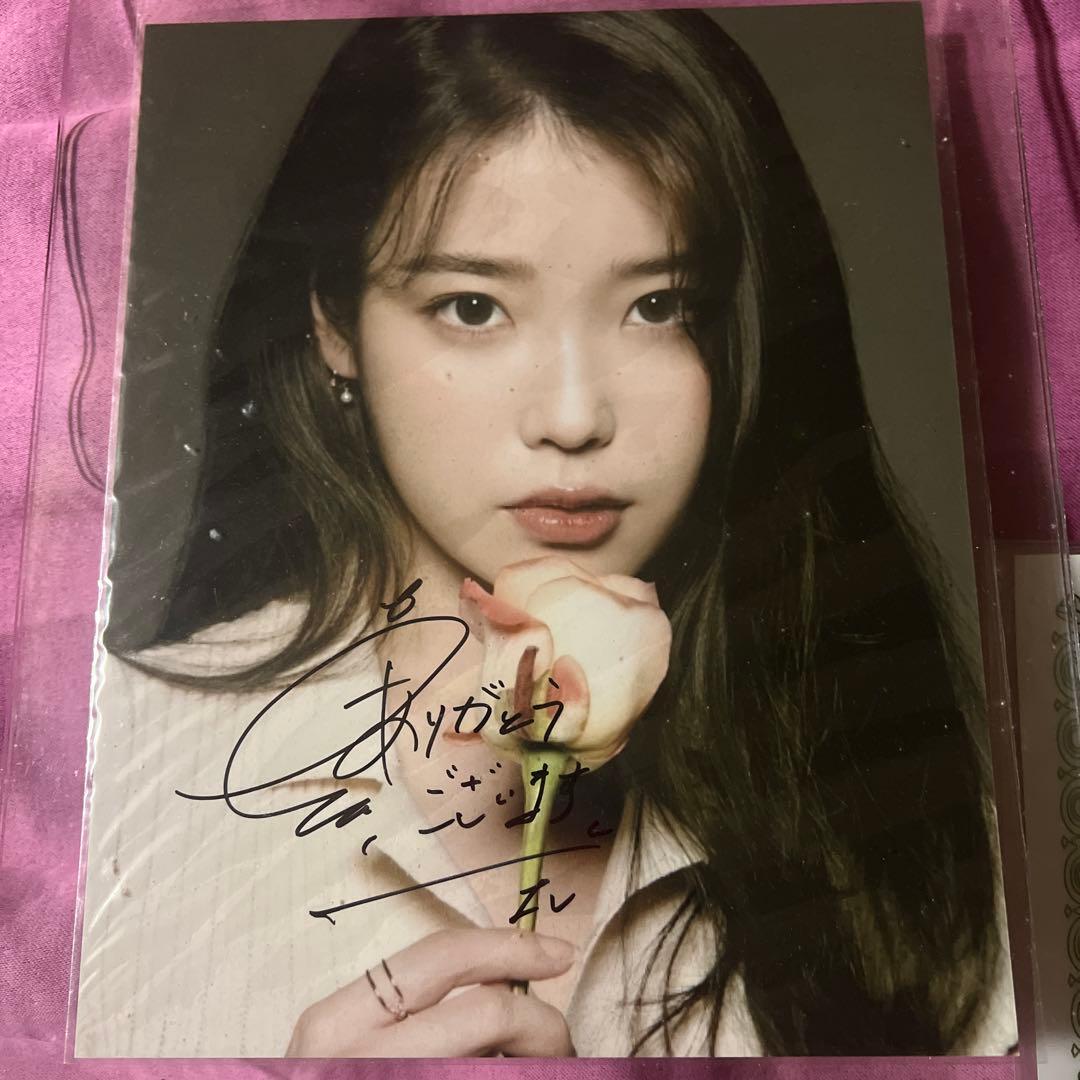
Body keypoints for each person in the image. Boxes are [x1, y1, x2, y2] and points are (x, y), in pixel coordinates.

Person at [75, 10, 1017, 1058]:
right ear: (336, 323)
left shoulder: (919, 838)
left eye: (660, 305)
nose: (573, 418)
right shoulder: (106, 792)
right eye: (473, 307)